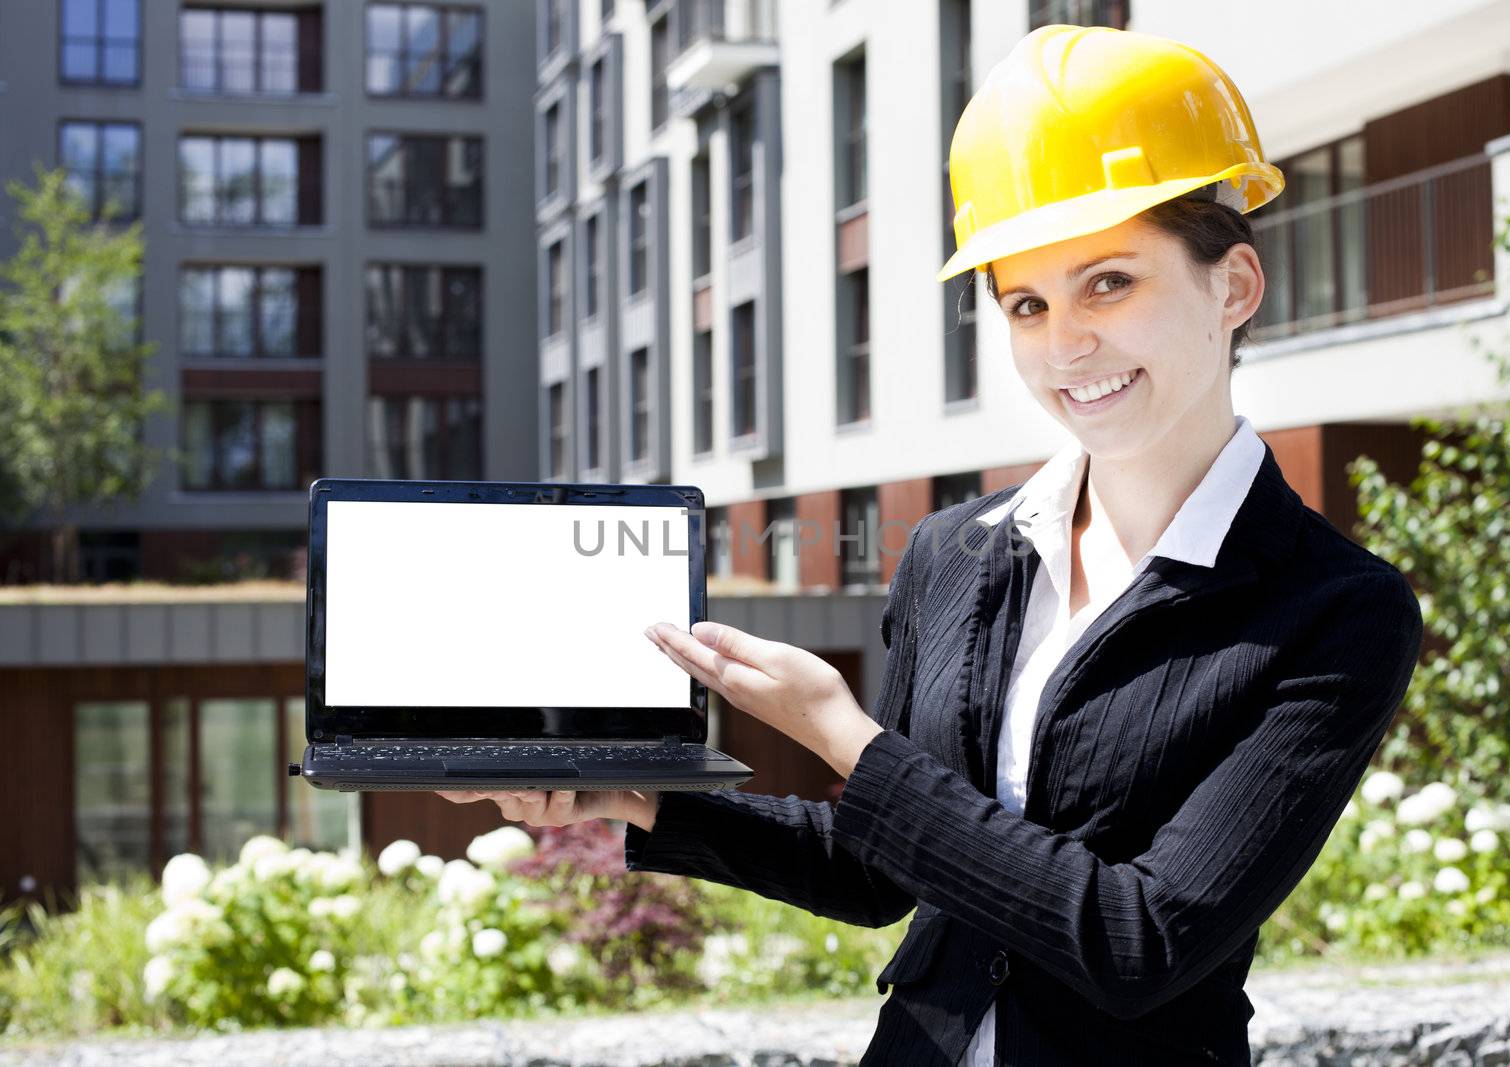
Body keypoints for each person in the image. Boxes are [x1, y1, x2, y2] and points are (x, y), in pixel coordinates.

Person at [441, 23, 1425, 1066]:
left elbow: (1141, 937)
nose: (1065, 343)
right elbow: (880, 867)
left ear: (1231, 286)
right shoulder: (957, 552)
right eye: (1026, 304)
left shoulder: (1334, 608)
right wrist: (623, 797)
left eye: (1110, 282)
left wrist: (841, 733)